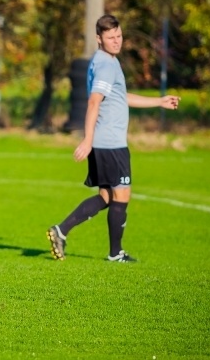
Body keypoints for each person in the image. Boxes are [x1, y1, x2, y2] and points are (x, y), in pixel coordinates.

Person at [47, 14, 179, 262]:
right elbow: (94, 101)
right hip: (110, 143)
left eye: (119, 36)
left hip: (105, 142)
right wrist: (87, 139)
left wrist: (158, 101)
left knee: (107, 197)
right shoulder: (106, 65)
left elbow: (120, 96)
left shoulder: (107, 61)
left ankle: (61, 231)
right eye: (111, 37)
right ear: (99, 39)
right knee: (122, 195)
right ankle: (115, 253)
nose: (117, 41)